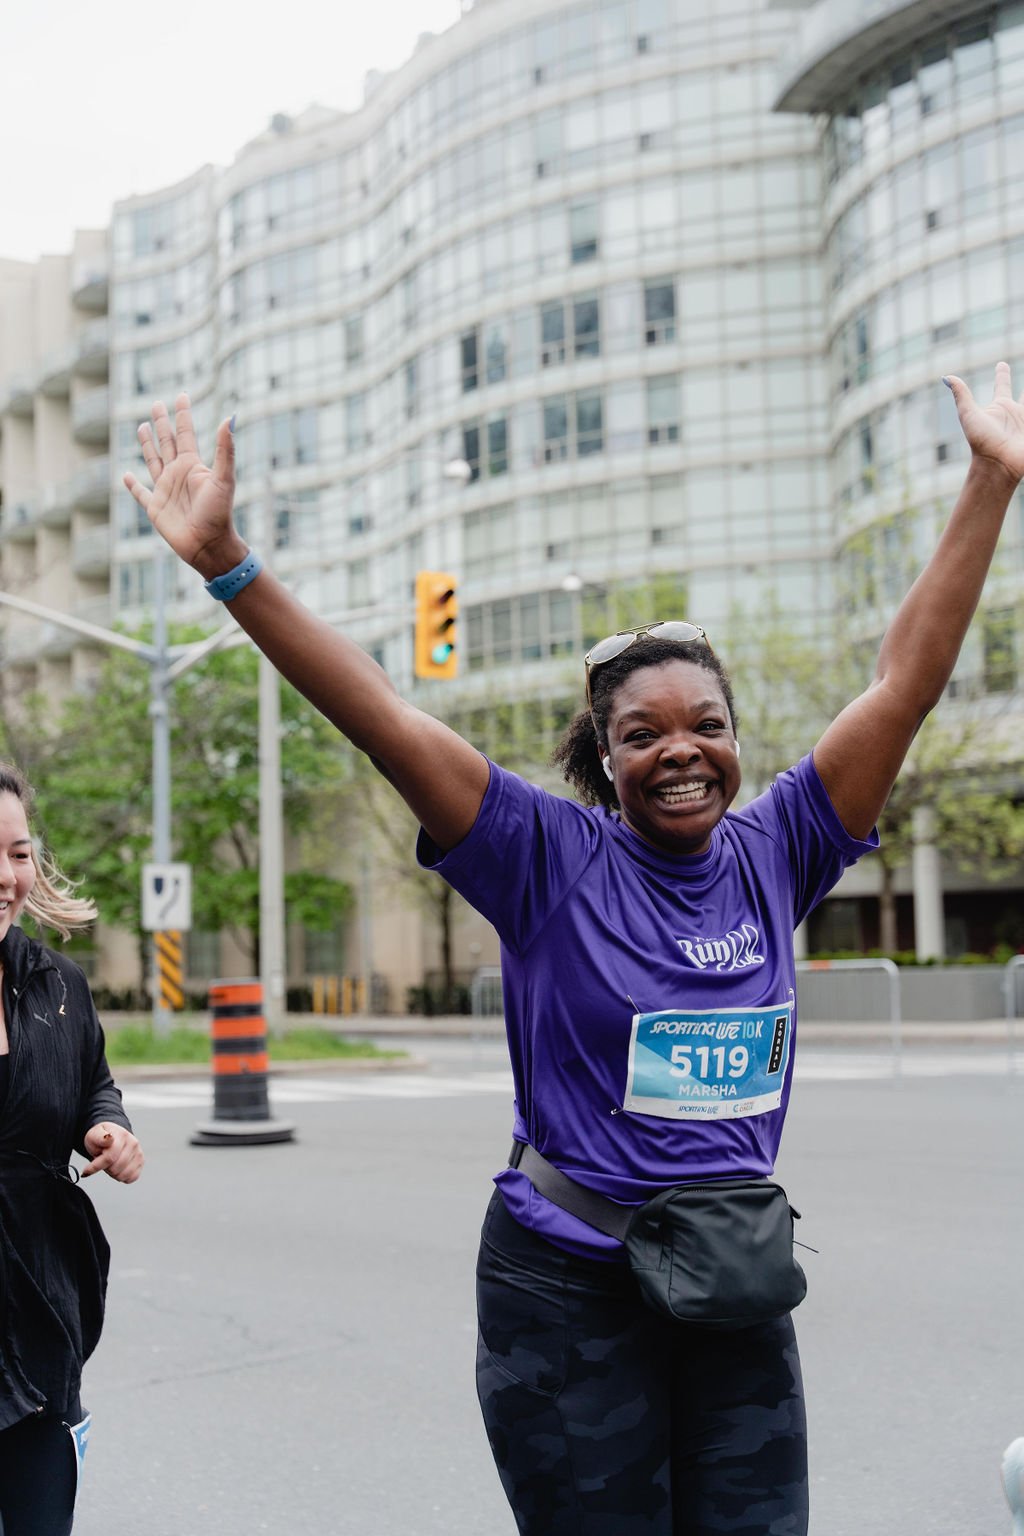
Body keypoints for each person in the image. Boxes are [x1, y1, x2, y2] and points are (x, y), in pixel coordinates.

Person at [124, 362, 1024, 1534]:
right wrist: (229, 567)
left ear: (737, 742)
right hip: (568, 1292)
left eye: (707, 725)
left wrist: (990, 484)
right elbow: (384, 715)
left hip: (731, 1285)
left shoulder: (781, 849)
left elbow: (903, 685)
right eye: (643, 733)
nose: (682, 751)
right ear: (604, 758)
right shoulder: (543, 857)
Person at [0, 764, 143, 1536]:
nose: (6, 877)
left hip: (40, 1312)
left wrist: (107, 1129)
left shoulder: (56, 984)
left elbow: (95, 1080)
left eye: (18, 854)